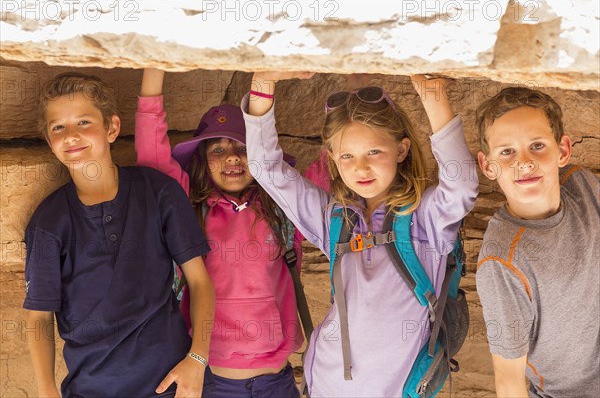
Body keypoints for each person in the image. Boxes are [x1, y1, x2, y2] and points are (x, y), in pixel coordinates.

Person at [243, 72, 478, 396]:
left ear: (401, 149)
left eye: (374, 152)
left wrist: (433, 95)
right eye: (347, 156)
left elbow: (461, 185)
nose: (361, 168)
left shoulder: (425, 220)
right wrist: (262, 83)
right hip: (324, 385)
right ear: (333, 161)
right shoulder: (336, 221)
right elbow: (265, 168)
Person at [23, 73, 215, 398]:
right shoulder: (48, 222)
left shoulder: (158, 191)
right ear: (48, 139)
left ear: (112, 127)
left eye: (84, 122)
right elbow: (39, 316)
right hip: (92, 390)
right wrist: (46, 391)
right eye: (58, 127)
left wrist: (197, 359)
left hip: (174, 385)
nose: (71, 135)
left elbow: (200, 282)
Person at [135, 69, 304, 398]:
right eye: (217, 149)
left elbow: (337, 165)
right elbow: (151, 153)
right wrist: (153, 68)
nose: (231, 156)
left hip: (278, 382)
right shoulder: (188, 209)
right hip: (211, 381)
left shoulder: (282, 204)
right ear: (202, 161)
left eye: (242, 147)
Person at [475, 87, 599, 397]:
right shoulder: (503, 261)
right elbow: (508, 380)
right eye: (506, 152)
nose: (524, 162)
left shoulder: (581, 184)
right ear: (487, 166)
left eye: (537, 145)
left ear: (563, 150)